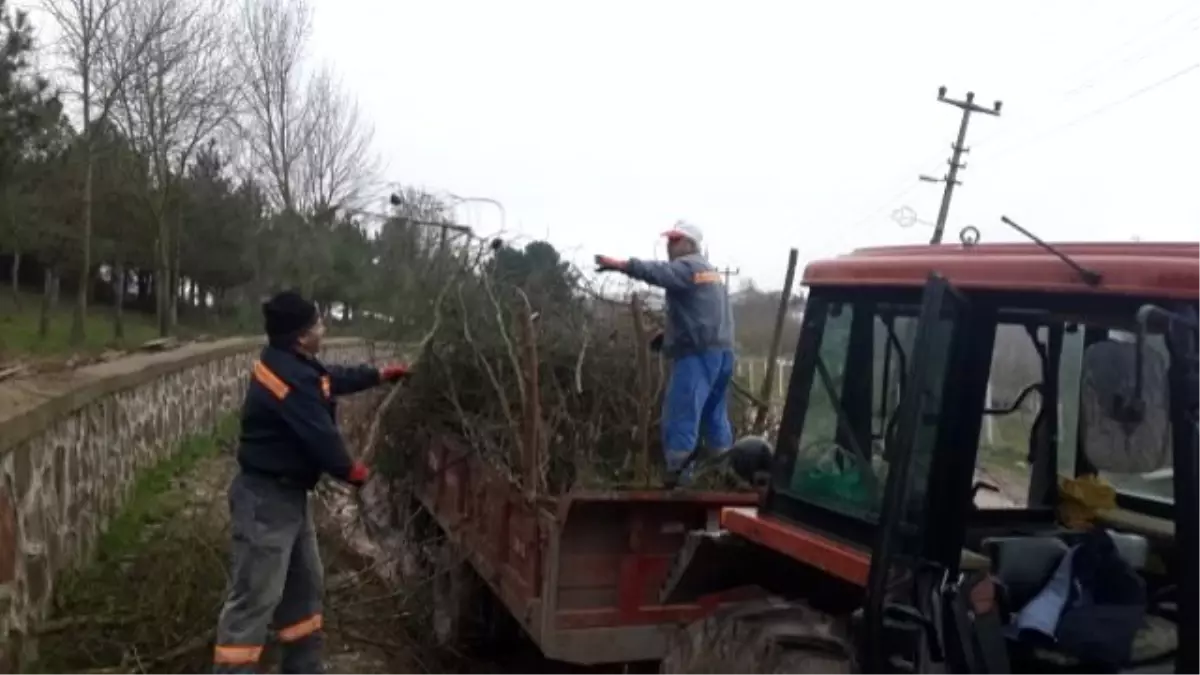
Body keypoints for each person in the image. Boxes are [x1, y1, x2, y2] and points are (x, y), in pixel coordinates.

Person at [212, 290, 409, 674]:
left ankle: (303, 668)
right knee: (255, 598)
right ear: (302, 336)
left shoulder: (292, 365)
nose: (325, 327)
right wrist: (353, 472)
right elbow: (321, 436)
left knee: (304, 591)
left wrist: (378, 375)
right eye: (318, 322)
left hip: (288, 498)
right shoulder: (288, 381)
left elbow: (329, 379)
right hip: (266, 503)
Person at [595, 221, 736, 487]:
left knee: (681, 415)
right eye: (669, 240)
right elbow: (703, 315)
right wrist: (668, 337)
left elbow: (659, 273)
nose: (669, 246)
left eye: (675, 240)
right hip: (723, 354)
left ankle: (678, 481)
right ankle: (727, 476)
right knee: (714, 417)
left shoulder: (688, 266)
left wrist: (624, 265)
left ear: (690, 244)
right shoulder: (709, 272)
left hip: (698, 357)